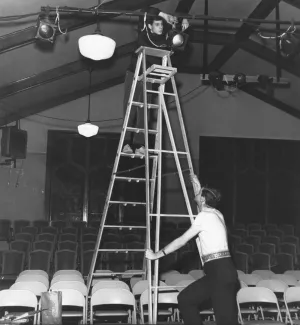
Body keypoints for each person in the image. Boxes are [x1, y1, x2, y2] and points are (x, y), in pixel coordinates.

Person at [145, 174, 240, 325]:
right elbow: (201, 204)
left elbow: (182, 240)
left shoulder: (204, 216)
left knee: (225, 320)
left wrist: (156, 255)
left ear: (202, 198)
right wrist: (196, 183)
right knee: (186, 299)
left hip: (218, 271)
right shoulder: (216, 214)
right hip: (222, 270)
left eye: (199, 192)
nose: (196, 193)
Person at [122, 7, 189, 155]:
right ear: (150, 26)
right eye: (157, 24)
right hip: (134, 73)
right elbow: (146, 8)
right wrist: (163, 14)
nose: (160, 27)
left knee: (144, 110)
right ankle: (126, 143)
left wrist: (182, 21)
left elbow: (178, 43)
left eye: (161, 25)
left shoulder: (166, 39)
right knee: (130, 108)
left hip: (148, 75)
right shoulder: (144, 34)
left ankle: (139, 145)